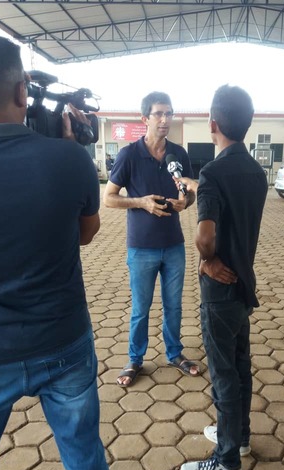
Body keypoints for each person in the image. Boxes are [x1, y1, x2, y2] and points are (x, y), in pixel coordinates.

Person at [0, 36, 127, 470]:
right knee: (82, 448)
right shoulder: (69, 159)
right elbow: (86, 234)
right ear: (22, 91)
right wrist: (64, 158)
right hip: (63, 341)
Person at [178, 85, 268, 470]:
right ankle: (240, 435)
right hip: (244, 285)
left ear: (212, 123)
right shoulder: (256, 172)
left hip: (219, 291)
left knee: (223, 372)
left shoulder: (212, 173)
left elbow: (205, 237)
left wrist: (207, 260)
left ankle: (227, 460)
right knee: (241, 366)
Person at [103, 91, 198, 386]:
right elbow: (108, 198)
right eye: (159, 113)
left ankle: (175, 353)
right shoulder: (129, 155)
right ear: (145, 118)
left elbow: (191, 193)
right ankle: (134, 359)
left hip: (174, 245)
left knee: (174, 305)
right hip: (141, 247)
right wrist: (140, 202)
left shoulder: (178, 155)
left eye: (169, 113)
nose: (165, 119)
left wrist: (187, 202)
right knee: (140, 308)